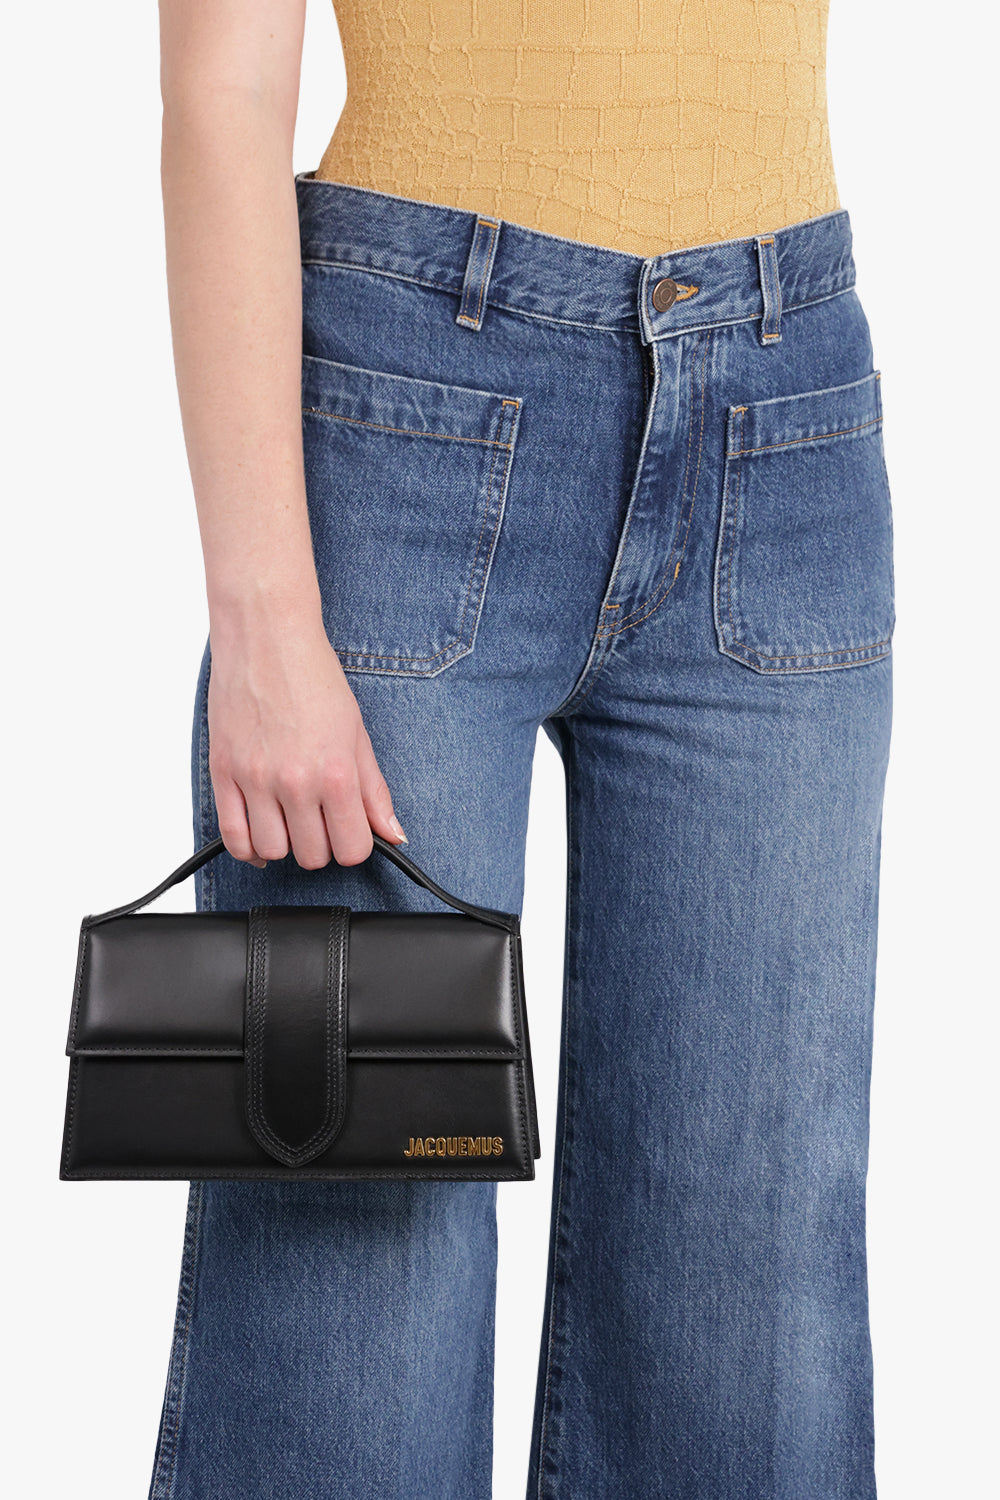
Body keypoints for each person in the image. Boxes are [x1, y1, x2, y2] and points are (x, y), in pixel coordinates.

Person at [150, 1, 894, 1496]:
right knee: (358, 1229)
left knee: (743, 1280)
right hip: (410, 416)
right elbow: (221, 90)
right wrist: (264, 619)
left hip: (784, 404)